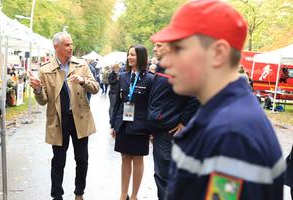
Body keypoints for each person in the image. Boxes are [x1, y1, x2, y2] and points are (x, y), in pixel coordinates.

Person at [151, 0, 285, 199]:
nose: (166, 61)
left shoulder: (231, 135)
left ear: (218, 53)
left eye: (178, 49)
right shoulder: (224, 118)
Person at [29, 32, 99, 200]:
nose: (71, 47)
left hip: (80, 118)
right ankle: (57, 195)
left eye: (71, 44)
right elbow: (43, 101)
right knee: (58, 161)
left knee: (82, 159)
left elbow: (95, 88)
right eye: (67, 45)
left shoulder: (81, 65)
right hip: (59, 120)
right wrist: (38, 89)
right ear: (56, 47)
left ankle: (79, 192)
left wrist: (83, 80)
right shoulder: (45, 70)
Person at [148, 42, 199, 200]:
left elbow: (195, 95)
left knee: (166, 177)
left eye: (158, 45)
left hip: (169, 133)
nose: (154, 49)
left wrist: (184, 122)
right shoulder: (162, 68)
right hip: (159, 131)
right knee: (162, 176)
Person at [111, 45, 154, 200]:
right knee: (124, 158)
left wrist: (151, 129)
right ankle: (123, 194)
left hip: (141, 126)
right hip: (123, 123)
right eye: (129, 54)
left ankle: (134, 195)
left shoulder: (150, 79)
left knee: (137, 159)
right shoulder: (123, 76)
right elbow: (117, 103)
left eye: (133, 55)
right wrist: (113, 124)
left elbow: (151, 105)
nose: (130, 57)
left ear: (141, 57)